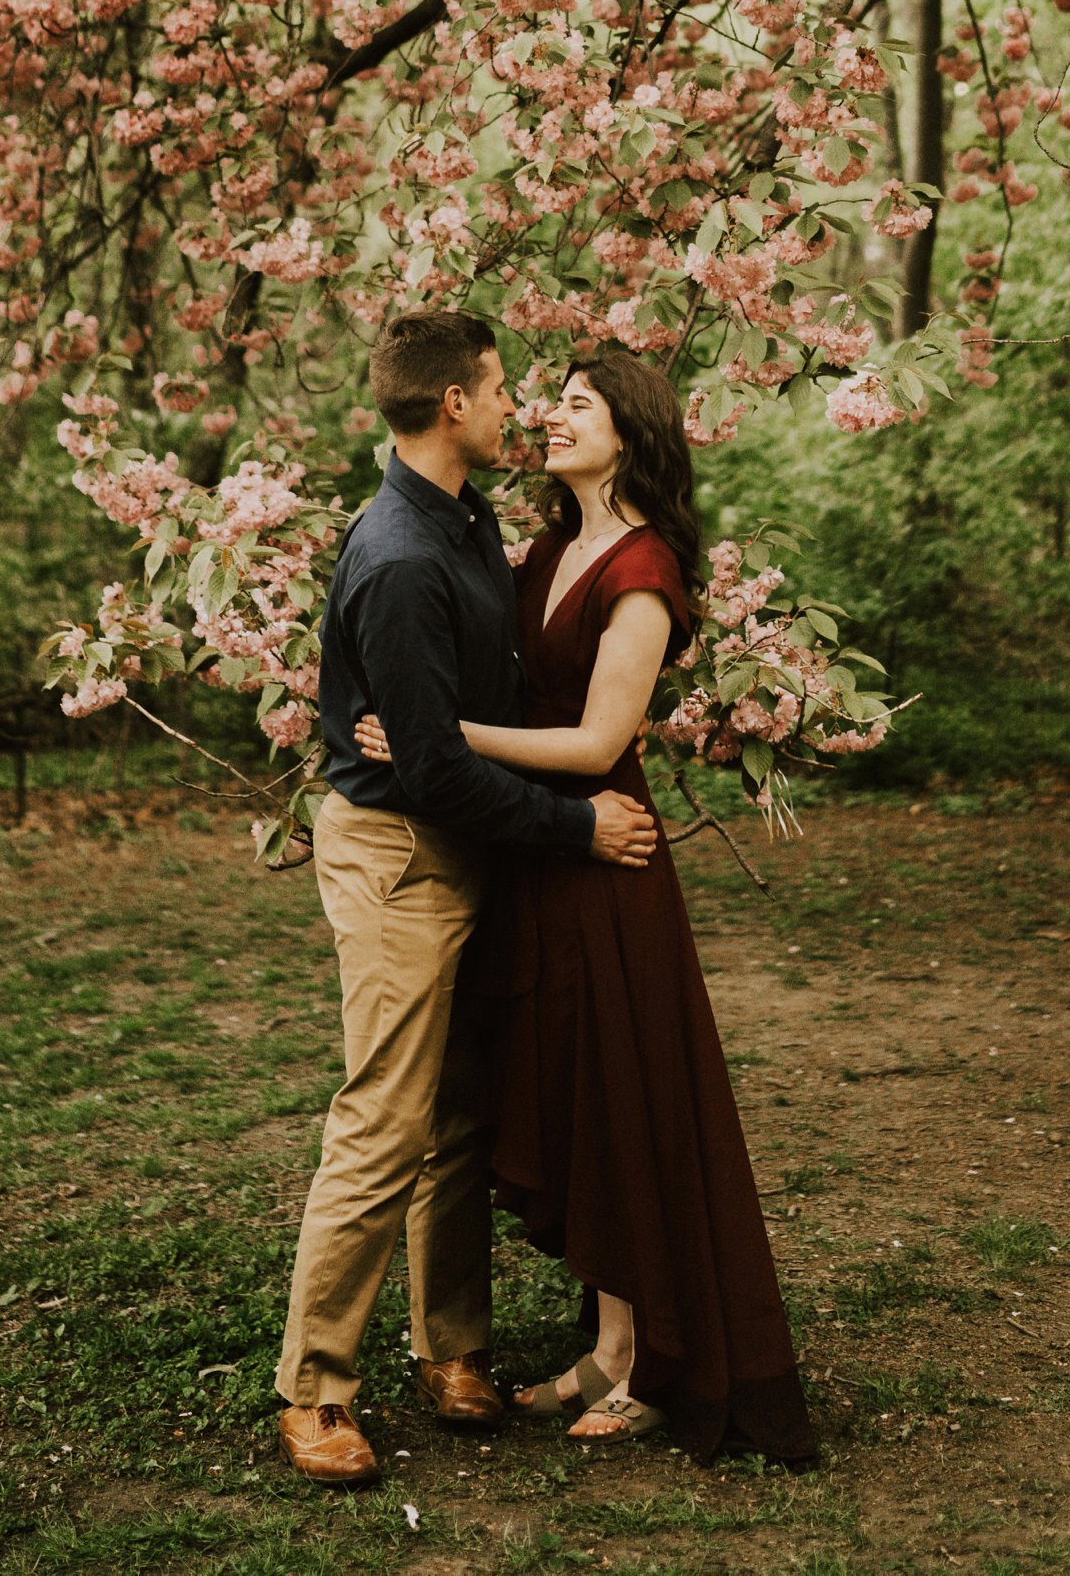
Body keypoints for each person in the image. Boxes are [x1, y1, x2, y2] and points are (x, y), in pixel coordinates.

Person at [356, 349, 816, 1466]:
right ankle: (606, 1343)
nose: (549, 418)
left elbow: (601, 742)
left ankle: (644, 1358)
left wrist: (440, 738)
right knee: (576, 1097)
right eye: (548, 400)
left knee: (622, 1100)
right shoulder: (556, 545)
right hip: (537, 851)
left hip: (605, 860)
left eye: (576, 405)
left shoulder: (644, 567)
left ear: (632, 431)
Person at [274, 311, 660, 1488]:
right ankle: (314, 1389)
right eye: (497, 390)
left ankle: (451, 1348)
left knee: (458, 1122)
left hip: (460, 845)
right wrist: (578, 826)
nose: (514, 408)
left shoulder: (465, 517)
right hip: (399, 856)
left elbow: (470, 710)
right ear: (452, 405)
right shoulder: (396, 553)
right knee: (384, 1117)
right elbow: (428, 766)